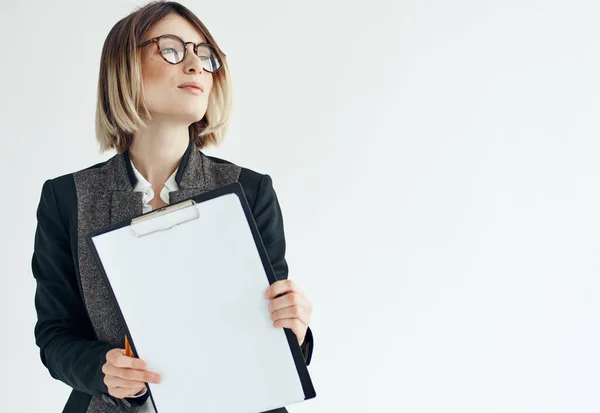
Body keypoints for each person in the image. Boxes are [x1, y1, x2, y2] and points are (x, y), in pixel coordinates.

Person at [31, 2, 314, 412]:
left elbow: (273, 336)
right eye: (172, 49)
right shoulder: (66, 197)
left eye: (205, 54)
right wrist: (101, 369)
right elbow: (56, 334)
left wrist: (295, 329)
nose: (196, 64)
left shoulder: (249, 190)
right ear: (124, 67)